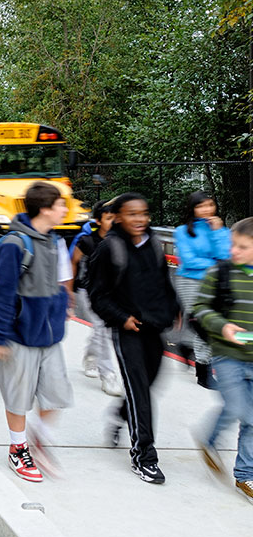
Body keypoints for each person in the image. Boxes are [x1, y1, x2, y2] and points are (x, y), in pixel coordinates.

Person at [88, 192, 180, 485]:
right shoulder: (108, 249)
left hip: (155, 327)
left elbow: (163, 282)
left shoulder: (153, 243)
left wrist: (174, 307)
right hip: (127, 331)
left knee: (149, 385)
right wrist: (122, 318)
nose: (140, 219)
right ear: (117, 217)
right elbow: (97, 295)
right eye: (132, 214)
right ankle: (144, 457)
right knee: (140, 391)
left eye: (144, 213)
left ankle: (120, 412)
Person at [0, 182, 73, 483]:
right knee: (18, 398)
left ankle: (38, 438)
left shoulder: (54, 241)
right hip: (19, 336)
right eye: (61, 205)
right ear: (45, 209)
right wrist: (1, 337)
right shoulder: (15, 244)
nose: (65, 209)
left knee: (56, 396)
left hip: (50, 337)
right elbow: (2, 293)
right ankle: (18, 448)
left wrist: (62, 309)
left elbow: (59, 285)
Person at [193, 216, 253, 503]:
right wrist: (223, 326)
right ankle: (210, 440)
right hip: (227, 355)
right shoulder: (222, 273)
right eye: (233, 245)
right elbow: (200, 307)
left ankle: (245, 475)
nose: (234, 251)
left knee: (252, 420)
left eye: (242, 247)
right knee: (238, 407)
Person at [174, 191, 231, 387]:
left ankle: (186, 346)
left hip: (215, 283)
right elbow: (189, 261)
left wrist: (217, 232)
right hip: (189, 282)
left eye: (210, 205)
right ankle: (203, 373)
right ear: (192, 209)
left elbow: (225, 255)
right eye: (201, 206)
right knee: (203, 324)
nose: (206, 209)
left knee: (204, 323)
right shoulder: (182, 231)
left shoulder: (221, 230)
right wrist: (216, 263)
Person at [70, 200, 123, 397]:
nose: (114, 222)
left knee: (102, 329)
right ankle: (108, 376)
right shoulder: (86, 241)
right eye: (109, 218)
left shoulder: (120, 241)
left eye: (116, 218)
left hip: (111, 293)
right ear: (98, 221)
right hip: (87, 291)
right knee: (102, 328)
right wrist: (68, 291)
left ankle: (91, 356)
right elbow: (73, 263)